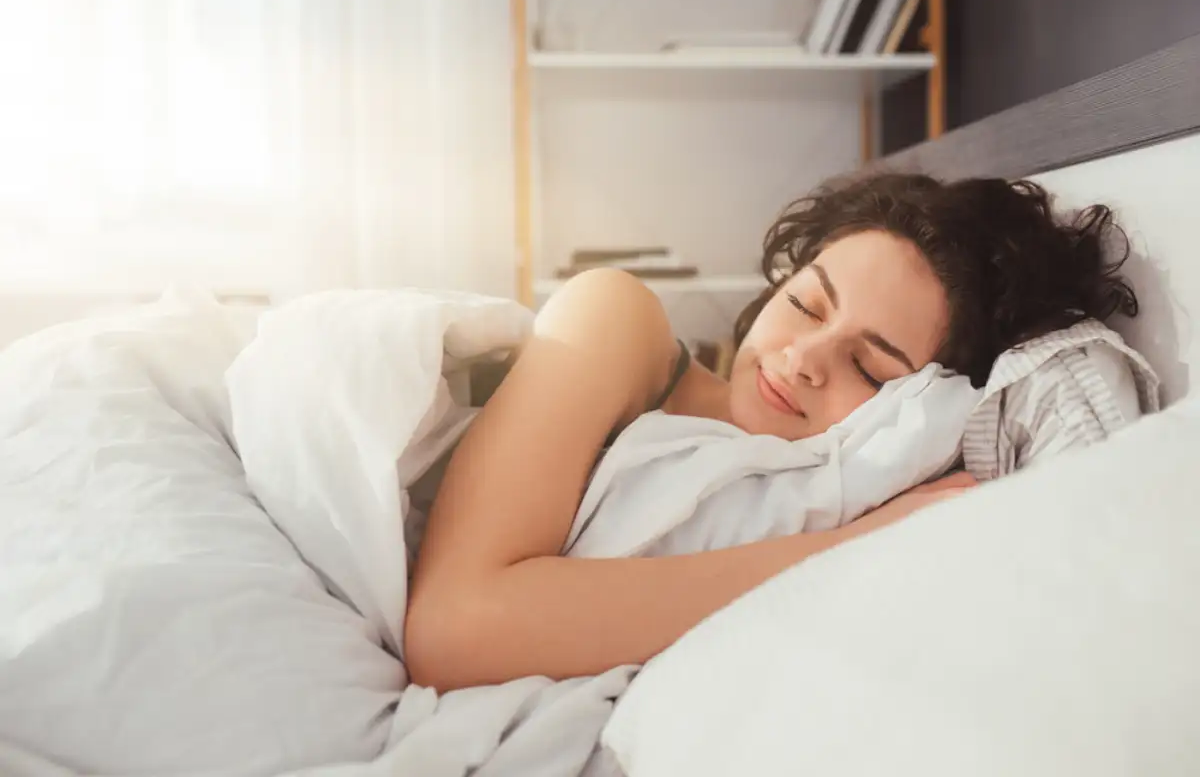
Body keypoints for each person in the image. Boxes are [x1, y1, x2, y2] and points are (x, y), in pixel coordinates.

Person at [406, 172, 1138, 693]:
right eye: (807, 305)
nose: (803, 358)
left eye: (870, 367)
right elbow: (452, 629)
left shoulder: (819, 492)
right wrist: (848, 551)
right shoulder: (618, 318)